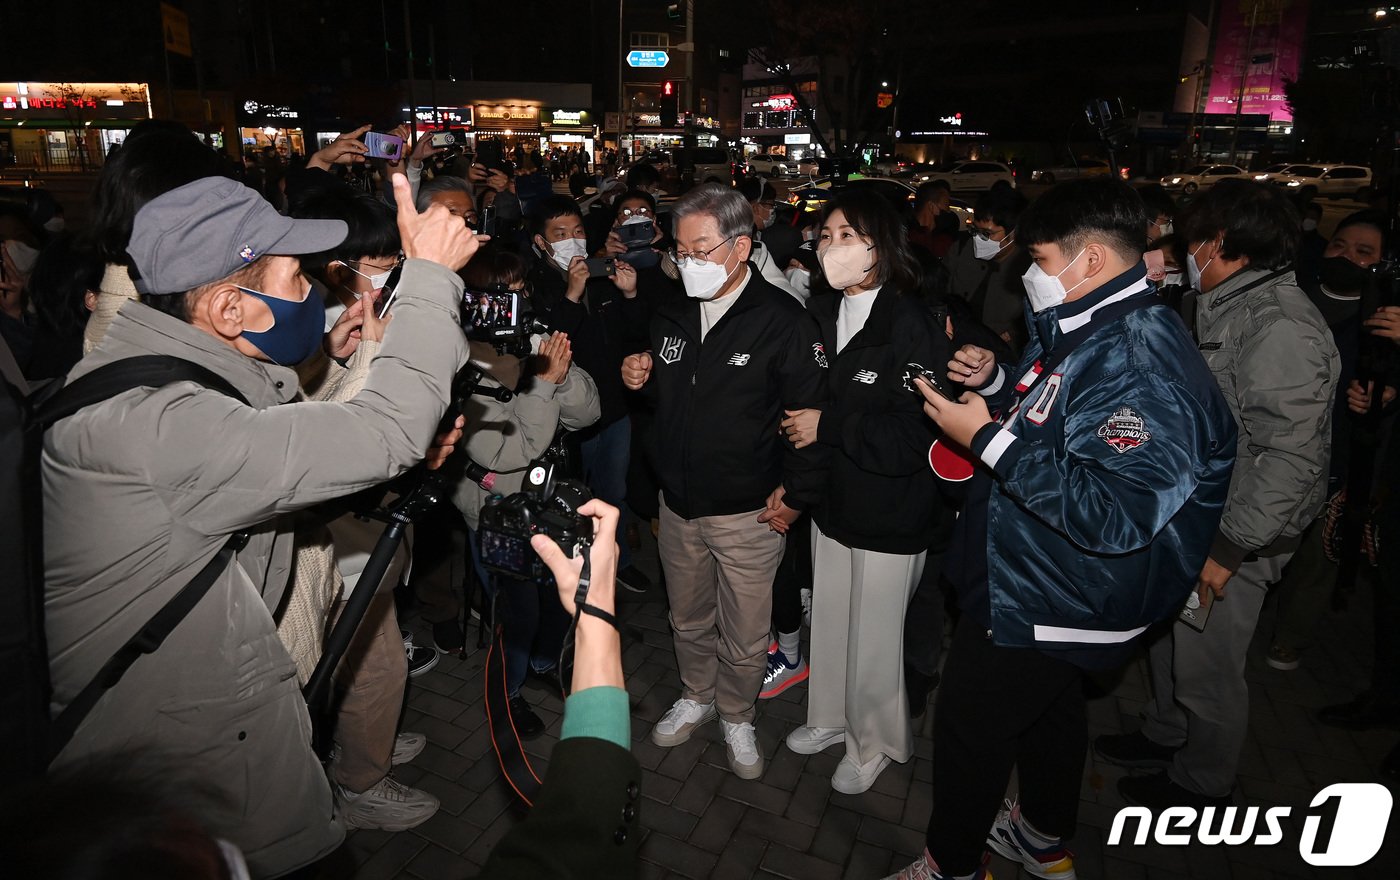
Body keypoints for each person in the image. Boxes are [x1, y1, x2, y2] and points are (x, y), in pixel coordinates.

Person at [42, 174, 477, 876]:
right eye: (295, 277)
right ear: (227, 308)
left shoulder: (155, 378)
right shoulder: (160, 423)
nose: (311, 290)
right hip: (191, 777)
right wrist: (427, 280)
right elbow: (387, 431)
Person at [886, 177, 1237, 880]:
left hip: (1055, 592)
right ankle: (1043, 838)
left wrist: (986, 440)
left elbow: (1117, 512)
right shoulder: (1099, 325)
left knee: (971, 729)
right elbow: (1062, 416)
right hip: (1044, 578)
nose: (1031, 276)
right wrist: (997, 380)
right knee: (1050, 717)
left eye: (1041, 261)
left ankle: (952, 866)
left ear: (1094, 261)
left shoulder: (1138, 360)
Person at [1094, 179, 1339, 812]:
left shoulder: (1279, 325)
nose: (1181, 253)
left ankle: (1202, 780)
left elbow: (1289, 453)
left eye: (1190, 241)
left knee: (1209, 664)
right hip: (1203, 514)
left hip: (1241, 534)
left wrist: (1230, 547)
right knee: (1176, 638)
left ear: (1221, 242)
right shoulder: (1229, 300)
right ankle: (1166, 732)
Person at [621, 183, 828, 780]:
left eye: (700, 250)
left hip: (750, 510)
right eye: (680, 251)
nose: (687, 262)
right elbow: (671, 393)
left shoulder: (784, 320)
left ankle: (737, 714)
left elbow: (809, 418)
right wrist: (640, 375)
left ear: (741, 247)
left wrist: (796, 496)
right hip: (679, 504)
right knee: (687, 617)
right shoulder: (674, 308)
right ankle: (697, 694)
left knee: (744, 629)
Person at [778, 189, 945, 794]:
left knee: (875, 633)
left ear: (881, 243)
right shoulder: (821, 315)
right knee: (831, 619)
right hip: (833, 503)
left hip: (893, 507)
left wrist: (830, 426)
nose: (832, 247)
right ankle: (828, 717)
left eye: (847, 235)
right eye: (825, 235)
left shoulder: (912, 323)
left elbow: (915, 436)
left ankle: (873, 740)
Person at [449, 245, 601, 737]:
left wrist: (551, 371)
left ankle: (543, 664)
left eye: (517, 288)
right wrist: (542, 385)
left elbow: (587, 414)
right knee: (514, 615)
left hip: (548, 503)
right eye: (500, 292)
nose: (513, 299)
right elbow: (508, 452)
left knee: (559, 596)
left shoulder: (530, 340)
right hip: (498, 512)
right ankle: (506, 692)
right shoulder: (458, 359)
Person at [1264, 210, 1389, 672]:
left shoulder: (1384, 320)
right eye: (1340, 246)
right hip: (1277, 450)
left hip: (1343, 458)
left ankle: (1290, 636)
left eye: (1364, 253)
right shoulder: (1288, 298)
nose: (1347, 257)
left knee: (1319, 556)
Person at [527, 195, 653, 592]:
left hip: (614, 410)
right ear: (541, 242)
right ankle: (574, 570)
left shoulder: (600, 276)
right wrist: (571, 294)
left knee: (614, 494)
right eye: (560, 234)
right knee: (573, 497)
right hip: (567, 422)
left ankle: (617, 561)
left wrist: (630, 295)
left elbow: (633, 335)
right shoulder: (537, 286)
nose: (572, 241)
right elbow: (552, 345)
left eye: (578, 232)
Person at [937, 186, 1032, 352]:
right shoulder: (960, 250)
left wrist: (1012, 334)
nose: (979, 239)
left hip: (1003, 353)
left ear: (1014, 233)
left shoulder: (1030, 266)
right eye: (975, 230)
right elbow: (939, 292)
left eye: (988, 234)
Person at [908, 179, 958, 260]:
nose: (948, 211)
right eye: (946, 205)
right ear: (931, 206)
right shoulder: (909, 241)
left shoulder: (940, 239)